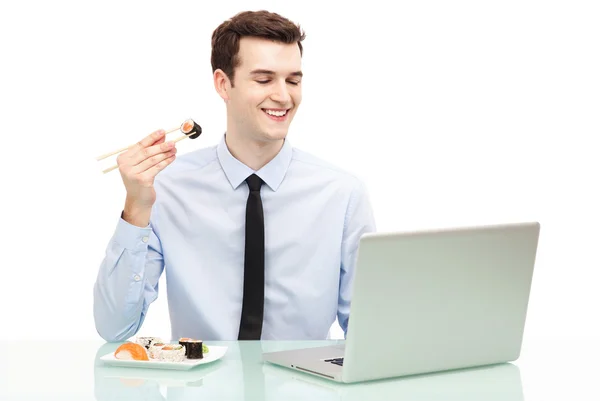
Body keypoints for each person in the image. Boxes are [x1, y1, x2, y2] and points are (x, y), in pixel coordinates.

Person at [93, 10, 376, 342]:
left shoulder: (342, 194)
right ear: (223, 84)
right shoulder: (167, 188)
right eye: (264, 79)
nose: (284, 96)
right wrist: (136, 209)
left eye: (293, 80)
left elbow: (367, 334)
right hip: (201, 388)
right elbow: (114, 327)